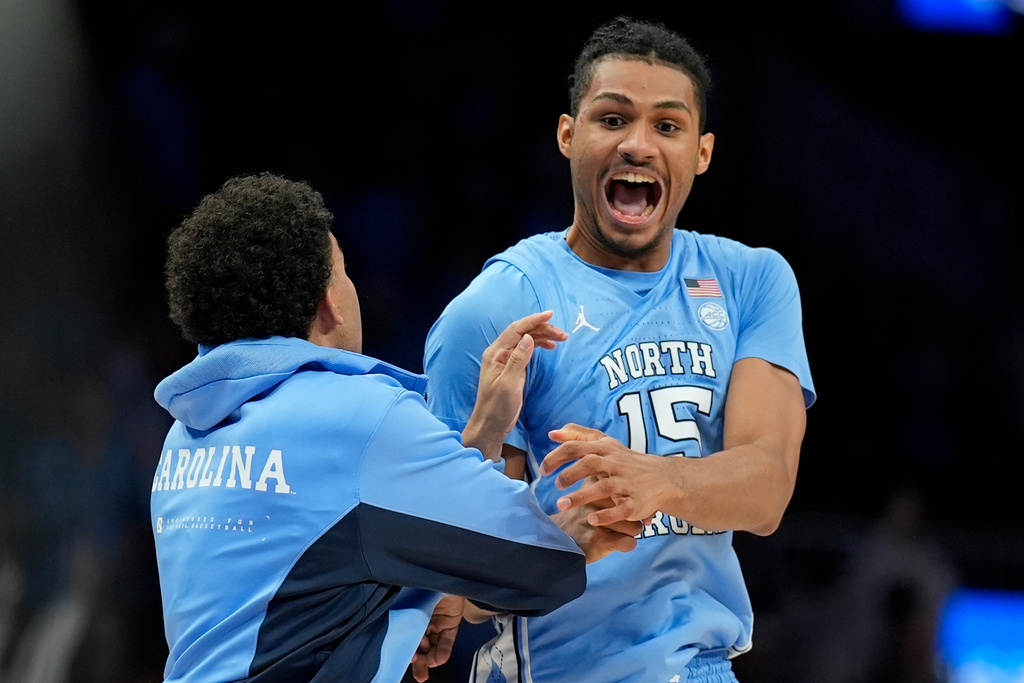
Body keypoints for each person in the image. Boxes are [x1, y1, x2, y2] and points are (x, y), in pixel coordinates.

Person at [423, 16, 816, 683]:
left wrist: (650, 479)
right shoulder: (494, 309)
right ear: (567, 136)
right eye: (612, 119)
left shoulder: (752, 280)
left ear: (702, 151)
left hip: (698, 666)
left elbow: (767, 484)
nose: (638, 144)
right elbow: (455, 586)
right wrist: (557, 544)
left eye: (667, 125)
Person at [150, 173, 639, 683]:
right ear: (328, 301)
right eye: (344, 271)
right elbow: (535, 569)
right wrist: (573, 530)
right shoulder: (357, 415)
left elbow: (307, 580)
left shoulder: (184, 438)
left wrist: (487, 431)